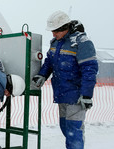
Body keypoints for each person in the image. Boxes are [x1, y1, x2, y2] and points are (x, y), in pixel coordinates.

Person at [32, 10, 98, 149]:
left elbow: (89, 69)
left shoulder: (81, 43)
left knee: (74, 132)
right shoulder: (56, 42)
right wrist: (42, 74)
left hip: (76, 95)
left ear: (65, 28)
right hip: (61, 94)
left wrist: (86, 94)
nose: (53, 34)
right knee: (65, 128)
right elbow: (49, 62)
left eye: (55, 31)